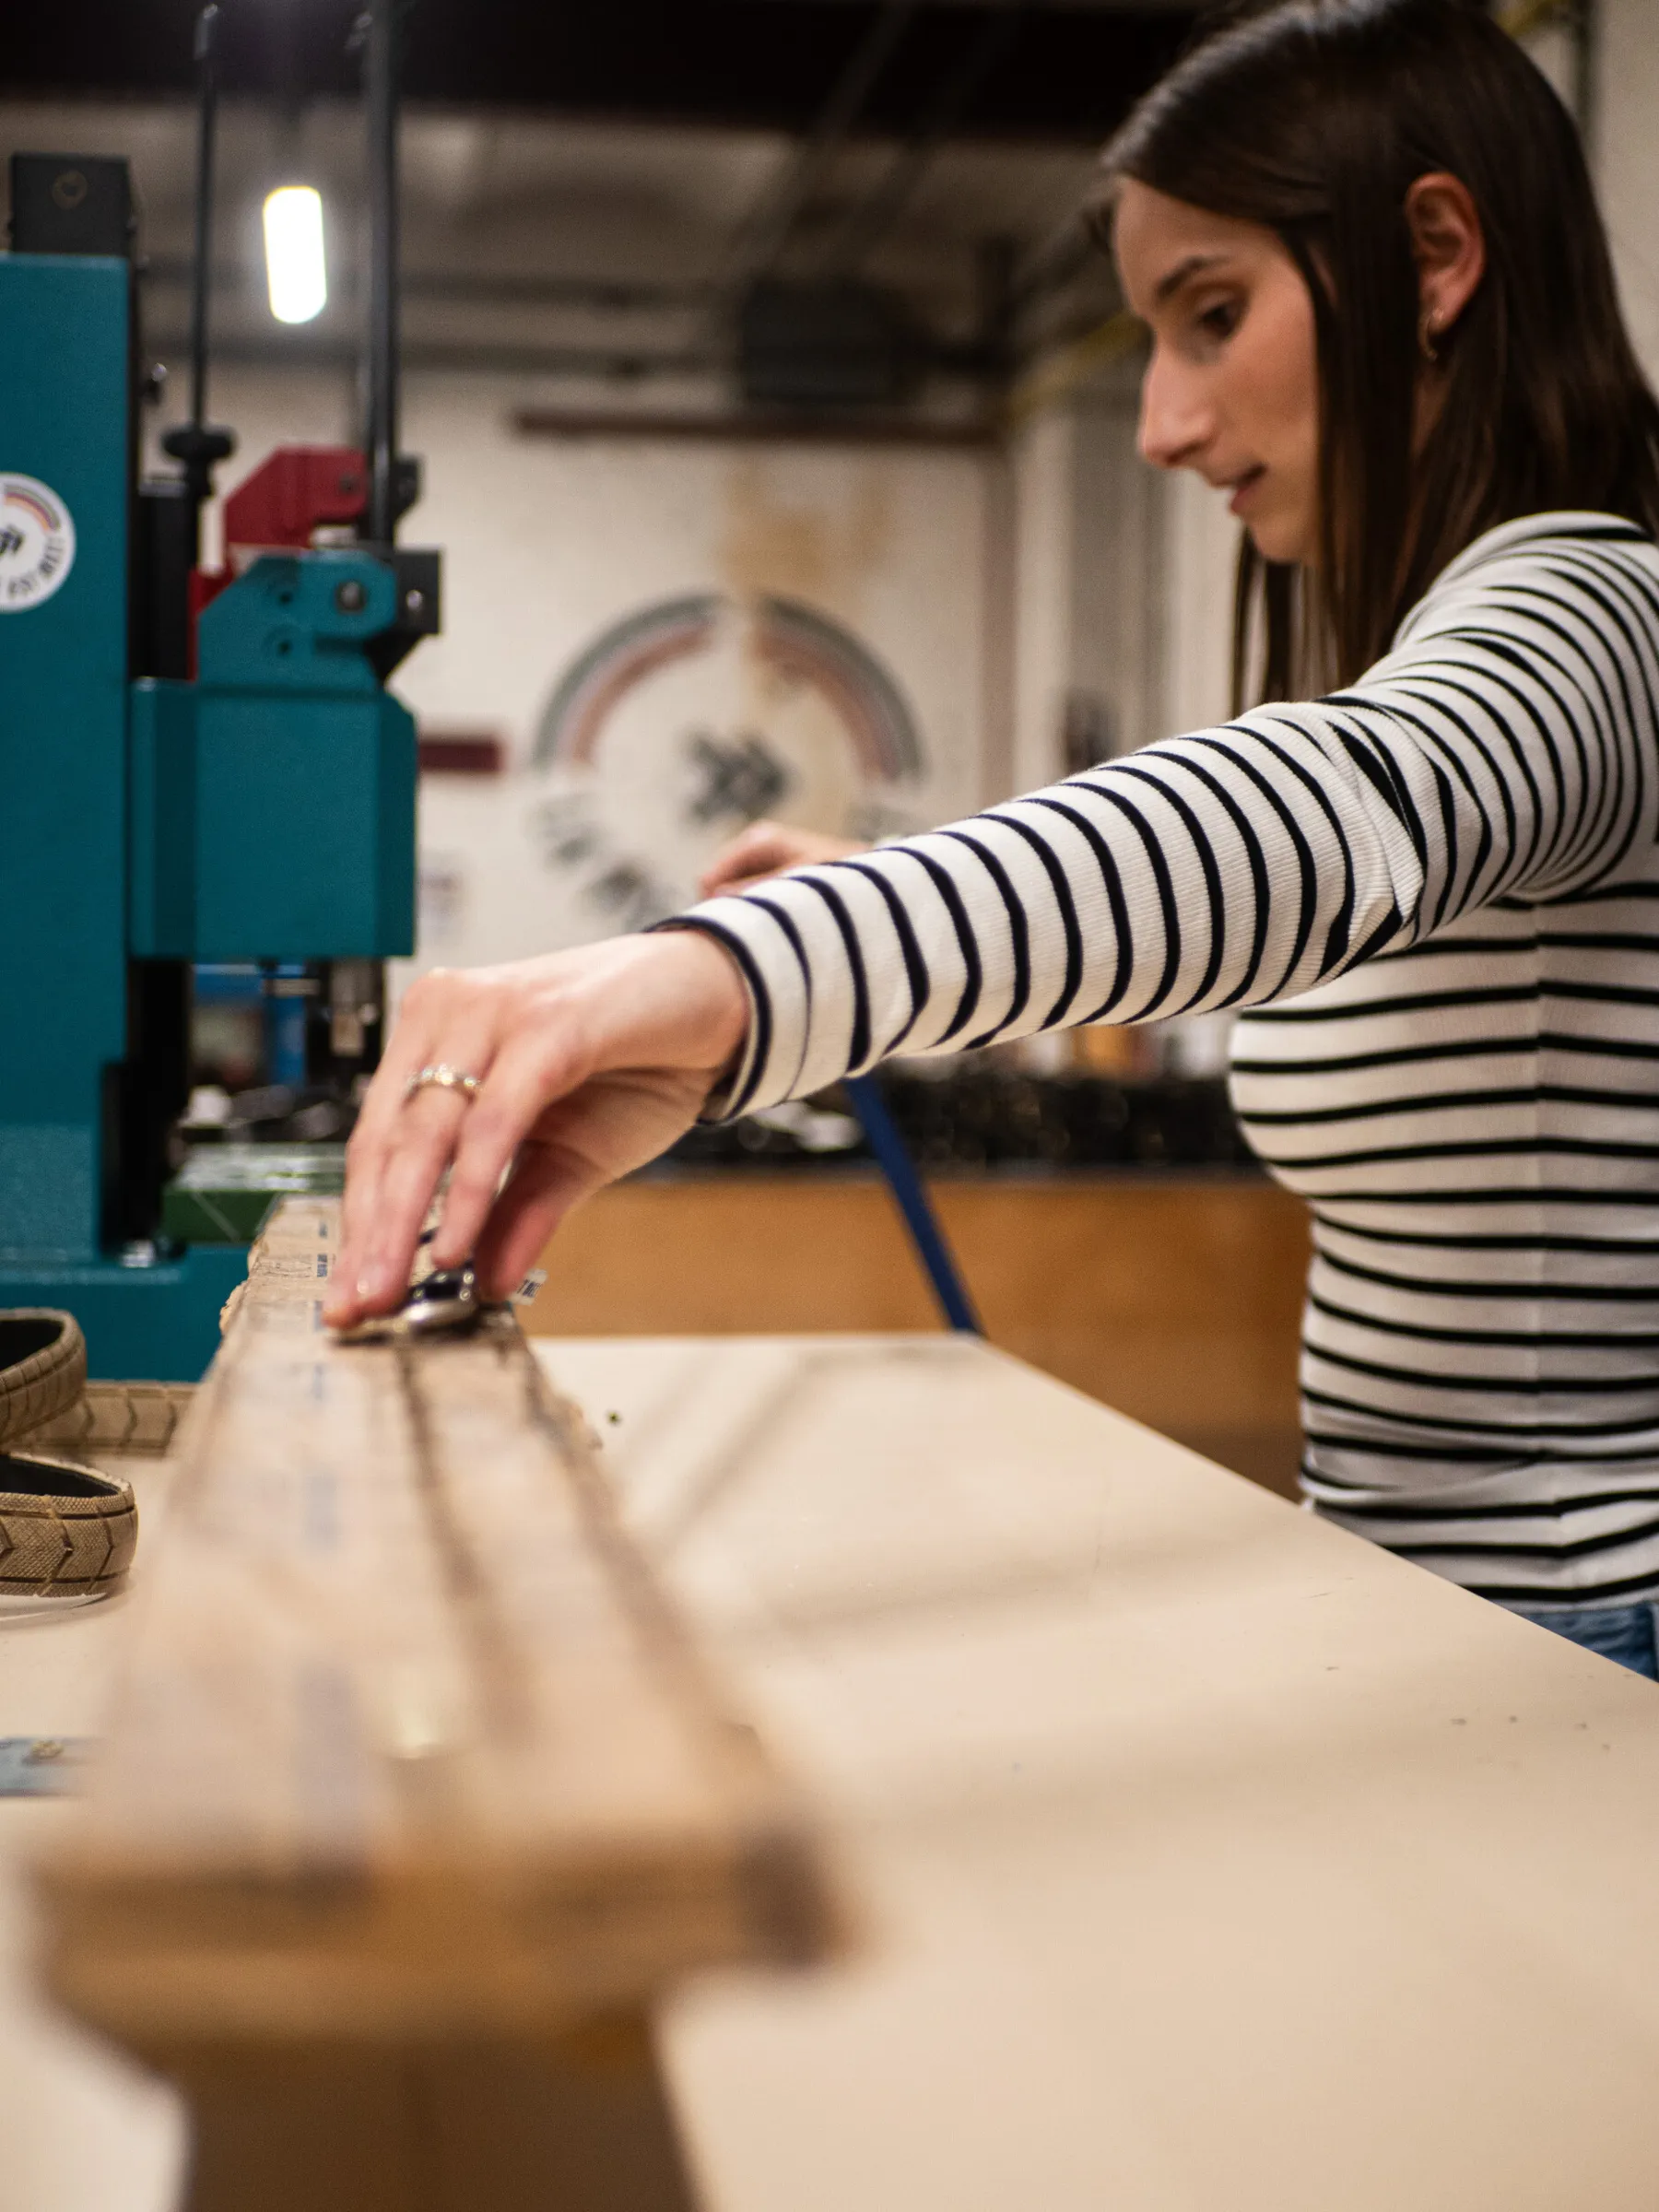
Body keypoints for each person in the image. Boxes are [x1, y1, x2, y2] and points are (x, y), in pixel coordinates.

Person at [326, 0, 1659, 1678]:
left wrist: (743, 974)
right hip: (1426, 1603)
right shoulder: (1470, 636)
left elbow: (1328, 820)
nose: (1162, 422)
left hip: (1584, 1631)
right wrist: (852, 939)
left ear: (1439, 255)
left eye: (1213, 317)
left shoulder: (1596, 612)